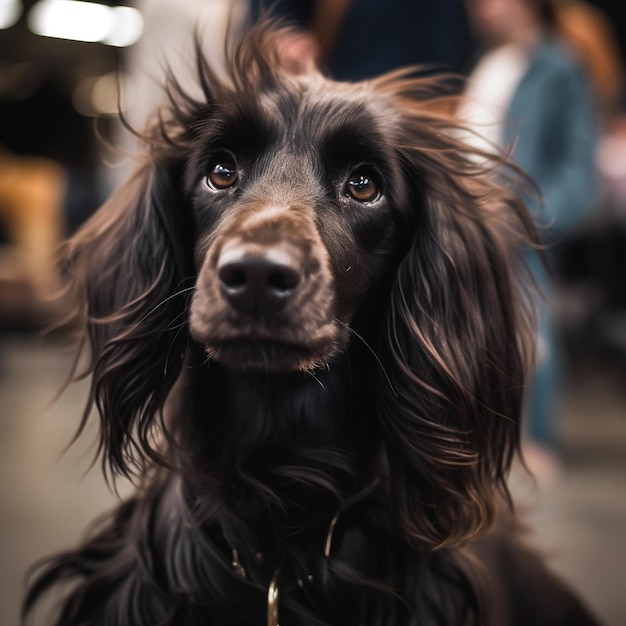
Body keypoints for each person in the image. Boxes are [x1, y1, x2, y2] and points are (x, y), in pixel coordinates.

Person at [461, 0, 599, 472]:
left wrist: (526, 218)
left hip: (517, 226)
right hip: (471, 223)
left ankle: (535, 440)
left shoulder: (559, 66)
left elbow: (579, 171)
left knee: (529, 334)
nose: (480, 8)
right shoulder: (489, 61)